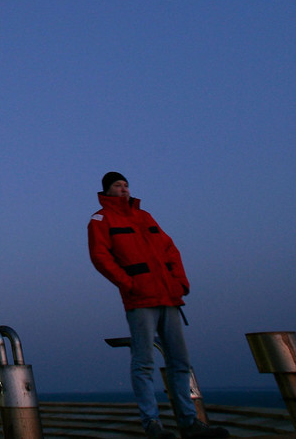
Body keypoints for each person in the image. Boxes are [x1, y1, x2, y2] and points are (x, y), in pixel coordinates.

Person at [89, 172, 228, 439]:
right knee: (144, 362)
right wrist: (129, 284)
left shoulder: (145, 217)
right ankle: (152, 424)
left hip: (169, 297)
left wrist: (180, 283)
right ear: (107, 190)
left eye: (126, 185)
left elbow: (170, 249)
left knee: (180, 361)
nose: (124, 189)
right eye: (118, 185)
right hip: (140, 300)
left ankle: (188, 423)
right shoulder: (100, 219)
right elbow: (100, 257)